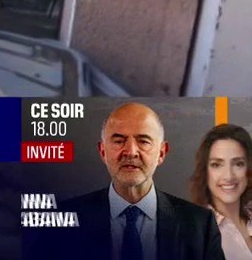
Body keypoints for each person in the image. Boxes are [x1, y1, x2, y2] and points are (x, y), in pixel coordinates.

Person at [36, 103, 225, 260]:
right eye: (119, 141)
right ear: (103, 152)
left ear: (161, 153)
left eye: (143, 141)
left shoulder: (201, 226)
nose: (131, 151)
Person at [191, 124, 252, 259]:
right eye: (217, 165)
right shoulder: (194, 233)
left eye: (238, 164)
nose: (228, 176)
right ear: (205, 171)